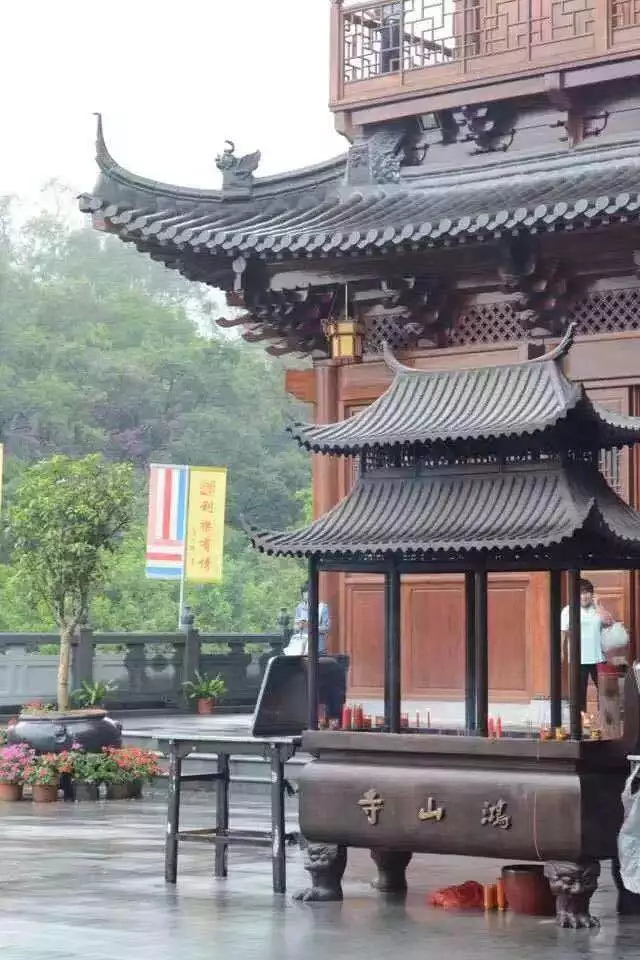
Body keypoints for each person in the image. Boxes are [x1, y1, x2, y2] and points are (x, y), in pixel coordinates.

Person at [560, 578, 614, 714]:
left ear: (592, 594)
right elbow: (563, 633)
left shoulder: (597, 609)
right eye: (581, 593)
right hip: (578, 659)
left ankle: (605, 719)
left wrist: (598, 605)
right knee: (579, 694)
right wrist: (561, 651)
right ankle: (581, 720)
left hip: (598, 658)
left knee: (605, 692)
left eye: (587, 592)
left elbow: (609, 623)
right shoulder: (568, 610)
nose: (584, 596)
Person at [284, 582, 330, 656]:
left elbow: (327, 628)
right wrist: (299, 626)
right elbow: (295, 627)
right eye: (305, 594)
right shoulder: (299, 607)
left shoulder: (322, 607)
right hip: (302, 647)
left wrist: (312, 626)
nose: (307, 596)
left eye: (309, 593)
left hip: (318, 646)